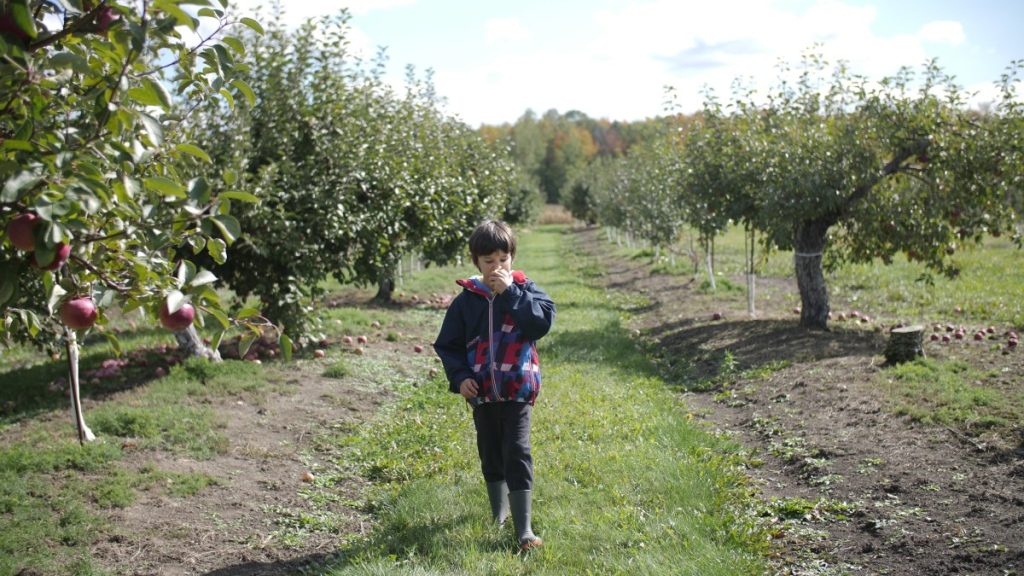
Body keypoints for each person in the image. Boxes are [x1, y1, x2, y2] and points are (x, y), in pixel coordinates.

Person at [433, 219, 556, 551]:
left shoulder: (526, 290)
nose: (496, 267)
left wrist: (511, 293)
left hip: (518, 389)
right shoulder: (466, 301)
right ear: (477, 262)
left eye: (503, 260)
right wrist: (460, 378)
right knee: (490, 452)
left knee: (517, 451)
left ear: (512, 257)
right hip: (482, 393)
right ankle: (498, 514)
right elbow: (448, 345)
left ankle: (524, 528)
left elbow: (539, 324)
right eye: (489, 261)